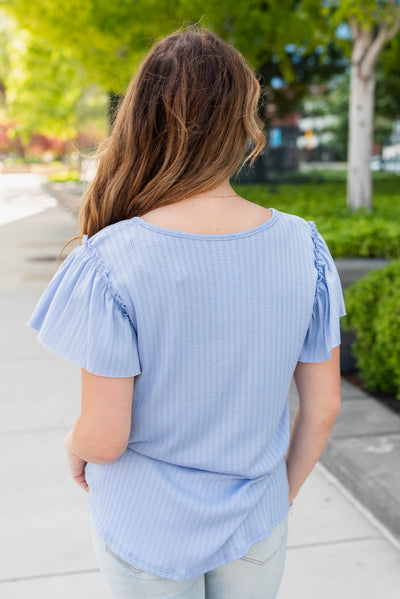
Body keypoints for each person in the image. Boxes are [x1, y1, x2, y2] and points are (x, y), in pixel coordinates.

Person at [26, 25, 346, 599]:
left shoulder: (109, 260)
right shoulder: (305, 248)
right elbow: (323, 408)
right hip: (256, 519)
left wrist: (75, 447)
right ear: (243, 124)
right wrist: (278, 500)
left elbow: (104, 437)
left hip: (145, 524)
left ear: (141, 122)